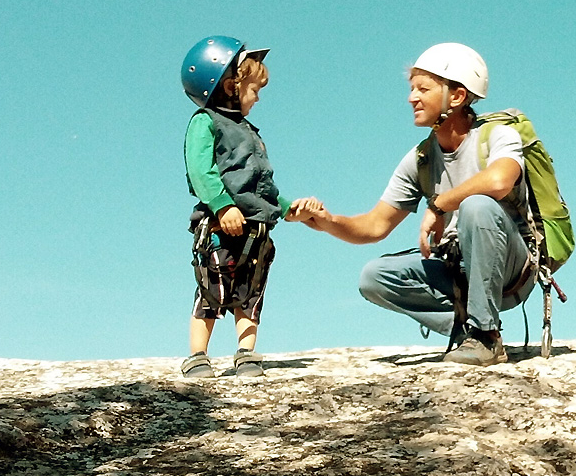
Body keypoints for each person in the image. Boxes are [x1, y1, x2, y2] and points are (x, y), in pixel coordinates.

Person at [297, 43, 535, 366]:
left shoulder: (498, 135)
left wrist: (439, 205)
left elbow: (499, 181)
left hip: (510, 267)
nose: (412, 98)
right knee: (374, 277)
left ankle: (486, 336)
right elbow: (376, 225)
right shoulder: (420, 159)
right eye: (412, 89)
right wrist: (326, 221)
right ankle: (464, 324)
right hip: (459, 269)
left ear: (457, 97)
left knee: (476, 205)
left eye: (423, 89)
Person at [177, 36, 318, 378]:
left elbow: (262, 184)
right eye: (254, 89)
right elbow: (201, 170)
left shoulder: (250, 131)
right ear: (229, 86)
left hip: (256, 230)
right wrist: (223, 206)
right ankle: (198, 355)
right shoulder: (205, 122)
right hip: (218, 228)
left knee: (250, 293)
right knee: (212, 290)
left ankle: (246, 353)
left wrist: (285, 208)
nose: (257, 97)